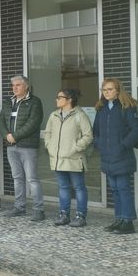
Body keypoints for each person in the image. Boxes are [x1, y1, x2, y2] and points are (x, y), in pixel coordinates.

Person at [93, 78, 138, 235]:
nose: (106, 92)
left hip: (122, 156)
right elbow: (96, 131)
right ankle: (119, 219)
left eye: (109, 89)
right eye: (104, 90)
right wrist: (99, 144)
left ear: (118, 90)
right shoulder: (101, 109)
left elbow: (137, 130)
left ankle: (128, 222)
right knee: (114, 189)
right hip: (107, 156)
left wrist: (122, 145)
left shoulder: (127, 107)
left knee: (123, 188)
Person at [0, 75, 45, 221]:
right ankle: (19, 207)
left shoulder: (34, 102)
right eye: (13, 85)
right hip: (11, 146)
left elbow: (33, 123)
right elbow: (0, 121)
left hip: (27, 146)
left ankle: (39, 210)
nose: (15, 88)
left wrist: (15, 136)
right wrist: (7, 135)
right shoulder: (8, 102)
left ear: (26, 86)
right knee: (17, 178)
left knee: (32, 178)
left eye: (18, 85)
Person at [45, 88, 92, 227]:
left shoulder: (80, 115)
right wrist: (50, 146)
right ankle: (64, 214)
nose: (56, 99)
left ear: (69, 99)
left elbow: (88, 135)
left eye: (60, 97)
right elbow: (48, 132)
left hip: (74, 158)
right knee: (63, 187)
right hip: (58, 159)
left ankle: (81, 216)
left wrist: (75, 148)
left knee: (79, 187)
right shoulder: (54, 115)